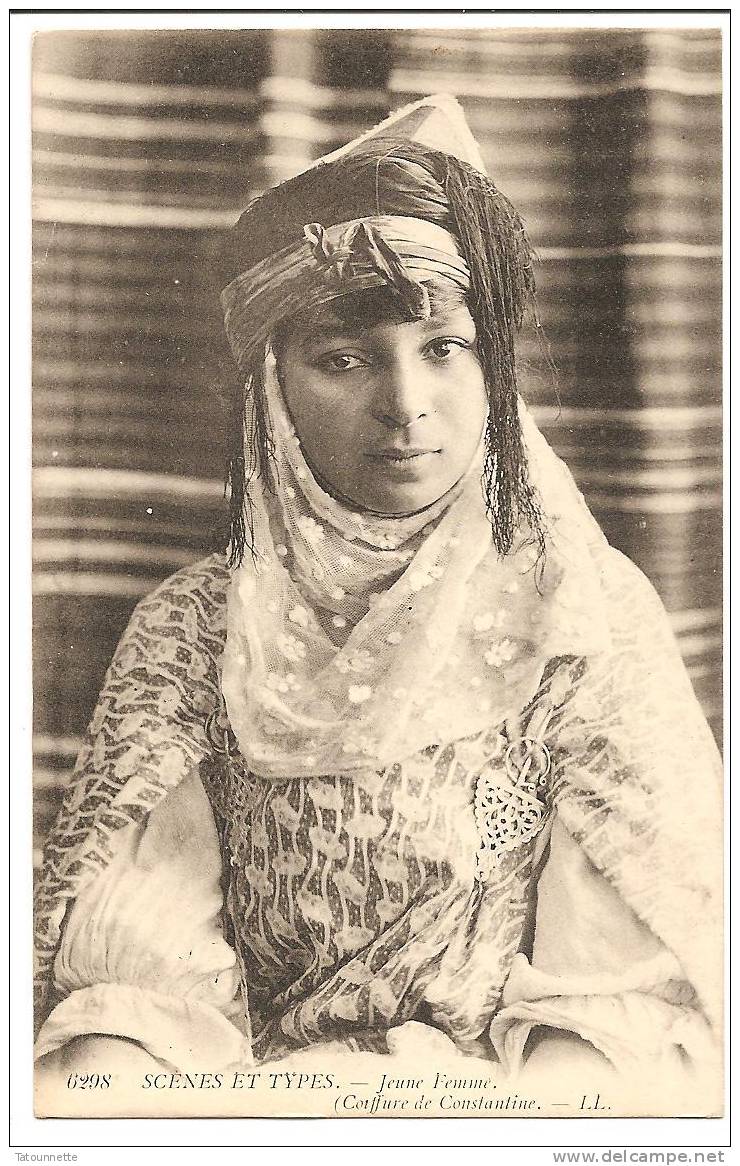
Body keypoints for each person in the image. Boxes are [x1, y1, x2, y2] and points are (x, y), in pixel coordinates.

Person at [33, 95, 722, 1105]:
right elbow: (134, 1003)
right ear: (271, 388)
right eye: (344, 359)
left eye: (444, 347)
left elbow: (615, 1012)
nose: (405, 405)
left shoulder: (581, 614)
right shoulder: (193, 632)